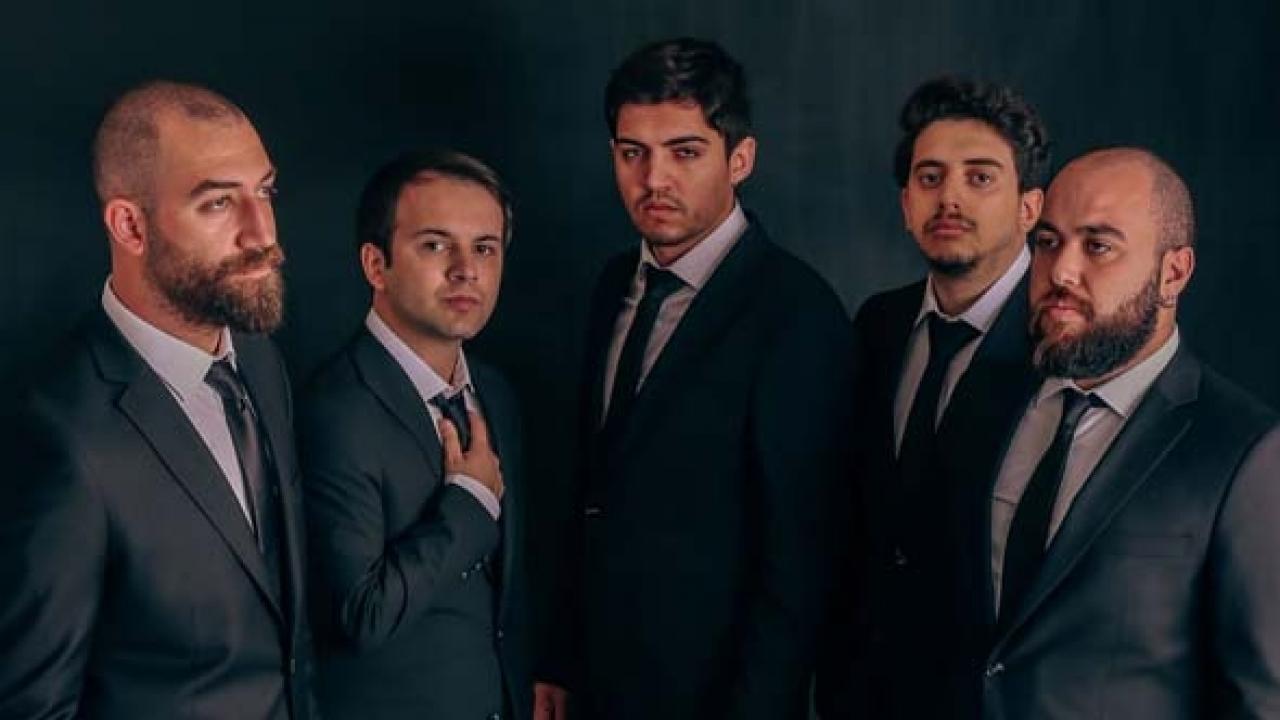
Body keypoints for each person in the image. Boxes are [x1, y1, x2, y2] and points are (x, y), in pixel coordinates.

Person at [551, 37, 855, 719]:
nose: (653, 179)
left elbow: (800, 562)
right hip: (600, 690)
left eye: (684, 152)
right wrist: (561, 660)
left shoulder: (797, 313)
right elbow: (592, 492)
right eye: (633, 153)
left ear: (739, 158)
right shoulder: (612, 286)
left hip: (714, 700)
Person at [0, 81, 312, 718]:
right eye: (218, 203)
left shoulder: (259, 358)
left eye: (265, 191)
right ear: (130, 225)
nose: (262, 234)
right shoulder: (60, 437)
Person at [980, 147, 1280, 717]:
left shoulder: (1247, 452)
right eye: (1047, 242)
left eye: (1098, 246)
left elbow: (1263, 699)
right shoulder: (992, 400)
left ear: (1174, 273)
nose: (1060, 272)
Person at [300, 150, 564, 720]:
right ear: (376, 265)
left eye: (485, 248)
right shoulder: (334, 409)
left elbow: (506, 588)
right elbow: (359, 615)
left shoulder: (495, 393)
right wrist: (468, 503)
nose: (466, 269)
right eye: (436, 245)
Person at [817, 77, 1049, 718]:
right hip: (865, 694)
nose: (949, 197)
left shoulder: (1058, 347)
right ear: (905, 202)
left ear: (1030, 207)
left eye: (980, 178)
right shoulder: (878, 325)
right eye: (930, 177)